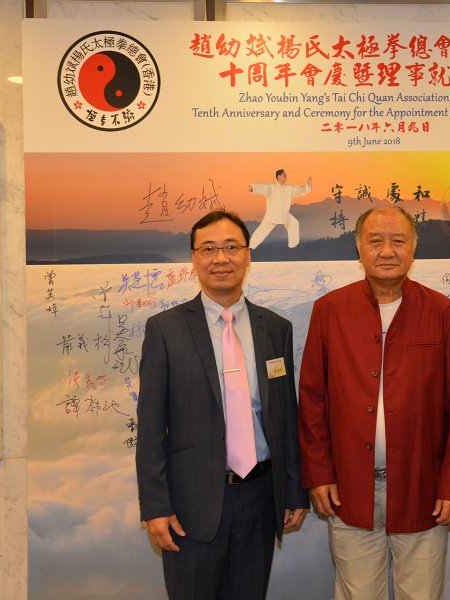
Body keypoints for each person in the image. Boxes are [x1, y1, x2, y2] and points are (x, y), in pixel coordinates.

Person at [298, 205, 450, 600]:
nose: (387, 251)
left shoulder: (442, 312)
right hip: (348, 489)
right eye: (375, 241)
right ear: (358, 248)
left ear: (414, 248)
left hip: (423, 490)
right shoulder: (329, 310)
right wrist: (318, 474)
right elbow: (312, 398)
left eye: (398, 240)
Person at [136, 210, 308, 600]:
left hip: (260, 498)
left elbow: (284, 416)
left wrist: (293, 491)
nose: (221, 258)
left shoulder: (275, 328)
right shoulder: (165, 330)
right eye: (209, 249)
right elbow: (150, 428)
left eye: (232, 247)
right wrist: (156, 506)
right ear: (194, 258)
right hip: (190, 504)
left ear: (248, 255)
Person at [248, 169, 312, 249]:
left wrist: (308, 186)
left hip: (284, 214)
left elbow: (300, 190)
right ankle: (250, 246)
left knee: (294, 223)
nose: (286, 177)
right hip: (272, 216)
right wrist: (252, 188)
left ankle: (294, 245)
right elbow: (262, 188)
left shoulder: (289, 188)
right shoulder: (271, 187)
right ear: (279, 176)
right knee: (261, 232)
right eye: (284, 175)